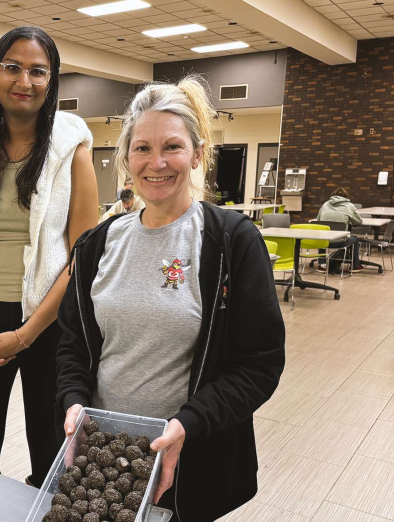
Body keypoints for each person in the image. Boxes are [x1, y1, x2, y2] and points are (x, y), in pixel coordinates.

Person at [56, 76, 285, 521]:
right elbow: (72, 345)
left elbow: (260, 363)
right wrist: (72, 401)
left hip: (194, 454)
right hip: (104, 452)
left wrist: (189, 423)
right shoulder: (97, 244)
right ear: (125, 157)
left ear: (198, 154)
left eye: (172, 147)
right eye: (141, 148)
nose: (156, 162)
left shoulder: (231, 242)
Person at [0, 26, 98, 487]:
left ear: (51, 82)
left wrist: (27, 335)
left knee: (49, 446)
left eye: (38, 71)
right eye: (12, 67)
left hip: (49, 325)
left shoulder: (72, 148)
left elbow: (81, 257)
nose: (24, 81)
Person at [316, 187, 364, 273]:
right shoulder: (350, 206)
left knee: (323, 234)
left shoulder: (325, 204)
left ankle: (322, 264)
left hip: (324, 241)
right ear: (346, 197)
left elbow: (318, 220)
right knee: (355, 239)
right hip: (340, 241)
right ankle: (355, 265)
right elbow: (359, 221)